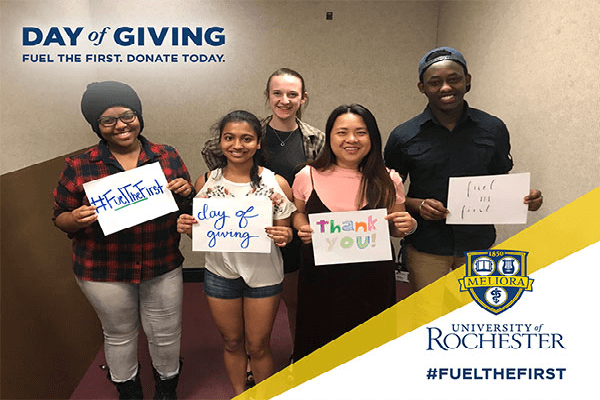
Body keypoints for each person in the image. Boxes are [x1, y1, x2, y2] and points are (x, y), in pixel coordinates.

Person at [53, 81, 193, 400]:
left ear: (139, 114)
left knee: (166, 333)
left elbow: (186, 208)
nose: (120, 125)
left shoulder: (166, 155)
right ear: (96, 126)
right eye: (108, 120)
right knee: (118, 334)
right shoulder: (79, 165)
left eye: (127, 115)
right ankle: (128, 391)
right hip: (103, 270)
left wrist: (186, 192)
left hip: (162, 262)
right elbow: (60, 215)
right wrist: (74, 218)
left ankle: (166, 388)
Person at [384, 47, 543, 292]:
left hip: (478, 244)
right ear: (422, 88)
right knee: (426, 316)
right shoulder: (404, 136)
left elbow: (501, 179)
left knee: (470, 315)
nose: (445, 88)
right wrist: (418, 205)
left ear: (467, 81)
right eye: (435, 82)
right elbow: (388, 193)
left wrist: (524, 198)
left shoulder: (493, 128)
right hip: (427, 246)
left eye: (454, 79)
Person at [201, 68, 325, 362]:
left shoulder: (316, 139)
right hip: (243, 236)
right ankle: (247, 360)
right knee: (243, 305)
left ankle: (299, 355)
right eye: (277, 93)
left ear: (303, 98)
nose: (285, 100)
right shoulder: (248, 132)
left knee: (295, 301)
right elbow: (219, 172)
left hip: (290, 231)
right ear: (268, 97)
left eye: (292, 94)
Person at [178, 110, 295, 396]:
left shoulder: (276, 184)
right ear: (220, 141)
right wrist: (187, 227)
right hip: (221, 274)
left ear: (258, 143)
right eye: (229, 138)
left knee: (258, 345)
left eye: (246, 139)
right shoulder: (205, 182)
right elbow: (204, 233)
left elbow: (286, 233)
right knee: (232, 342)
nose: (237, 145)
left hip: (264, 275)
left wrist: (286, 234)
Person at [291, 104, 417, 361]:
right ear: (330, 137)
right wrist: (301, 226)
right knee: (320, 341)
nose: (351, 139)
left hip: (371, 278)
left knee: (370, 343)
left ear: (372, 137)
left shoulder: (388, 178)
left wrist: (408, 225)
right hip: (321, 277)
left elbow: (396, 224)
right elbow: (298, 213)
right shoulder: (308, 175)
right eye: (342, 132)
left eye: (360, 132)